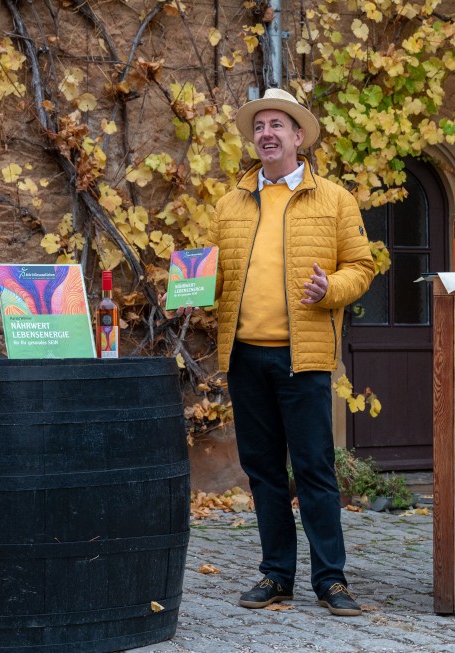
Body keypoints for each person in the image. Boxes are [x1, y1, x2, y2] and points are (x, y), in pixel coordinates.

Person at [180, 87, 374, 616]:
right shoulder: (229, 204)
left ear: (298, 136)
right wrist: (190, 290)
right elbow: (217, 275)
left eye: (277, 125)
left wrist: (328, 289)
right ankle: (276, 575)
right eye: (259, 125)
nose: (266, 133)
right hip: (244, 356)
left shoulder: (334, 199)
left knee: (314, 469)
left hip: (302, 356)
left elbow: (362, 266)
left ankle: (330, 580)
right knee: (263, 471)